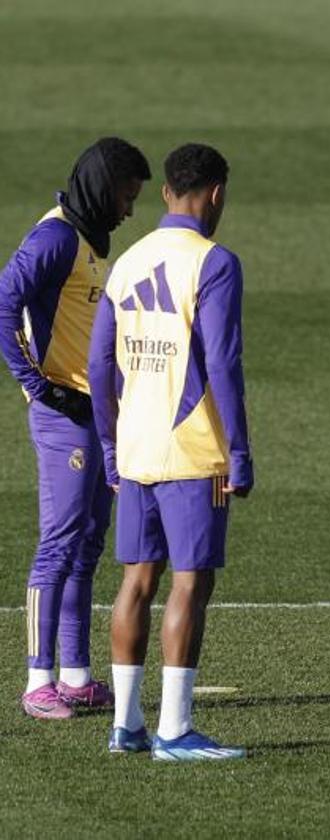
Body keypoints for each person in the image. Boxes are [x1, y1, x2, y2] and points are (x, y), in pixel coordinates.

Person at [89, 143, 253, 760]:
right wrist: (239, 451)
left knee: (136, 580)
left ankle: (126, 726)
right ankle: (176, 730)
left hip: (134, 446)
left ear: (165, 193)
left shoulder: (127, 261)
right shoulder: (214, 263)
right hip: (191, 449)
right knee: (190, 582)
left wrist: (110, 443)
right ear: (215, 194)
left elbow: (99, 363)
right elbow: (223, 364)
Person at [0, 138, 150, 719]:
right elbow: (5, 300)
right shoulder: (57, 237)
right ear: (99, 185)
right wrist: (37, 384)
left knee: (87, 545)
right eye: (124, 195)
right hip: (64, 414)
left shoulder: (88, 238)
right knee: (59, 545)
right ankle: (38, 681)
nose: (128, 210)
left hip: (97, 411)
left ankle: (75, 675)